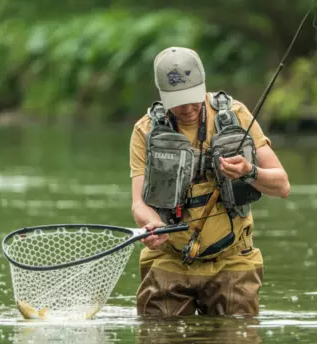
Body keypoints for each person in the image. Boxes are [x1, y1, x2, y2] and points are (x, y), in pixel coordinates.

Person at [129, 47, 290, 317]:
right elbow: (138, 204)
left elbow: (283, 185)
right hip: (168, 259)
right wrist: (150, 225)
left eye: (194, 97)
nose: (189, 108)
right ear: (162, 95)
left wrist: (249, 172)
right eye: (178, 101)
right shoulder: (145, 130)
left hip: (233, 259)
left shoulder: (236, 115)